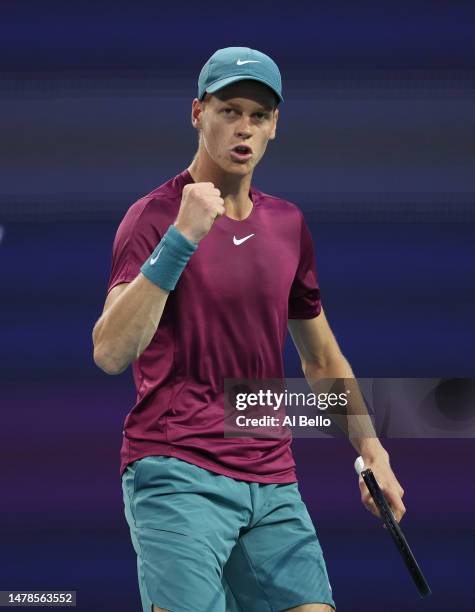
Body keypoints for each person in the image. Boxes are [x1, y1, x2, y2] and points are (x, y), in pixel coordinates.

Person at [92, 46, 406, 612]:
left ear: (275, 127)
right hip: (177, 471)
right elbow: (111, 351)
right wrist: (181, 240)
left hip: (272, 478)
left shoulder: (287, 224)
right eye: (229, 110)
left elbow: (322, 359)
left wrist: (372, 449)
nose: (244, 128)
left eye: (258, 116)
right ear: (197, 113)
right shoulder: (153, 218)